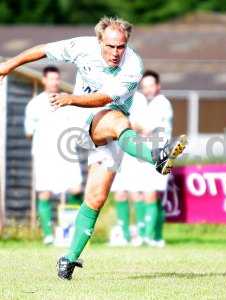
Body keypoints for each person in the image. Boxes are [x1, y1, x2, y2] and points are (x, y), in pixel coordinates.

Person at [0, 16, 187, 280]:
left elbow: (104, 98)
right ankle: (156, 155)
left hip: (110, 128)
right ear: (99, 40)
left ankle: (68, 259)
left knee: (96, 198)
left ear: (127, 44)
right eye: (110, 46)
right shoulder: (81, 46)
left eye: (121, 47)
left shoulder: (133, 66)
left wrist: (71, 97)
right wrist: (9, 64)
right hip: (83, 120)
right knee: (119, 120)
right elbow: (42, 50)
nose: (115, 53)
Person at [112, 70, 172, 248]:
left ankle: (150, 236)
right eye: (144, 86)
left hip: (159, 155)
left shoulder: (162, 103)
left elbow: (144, 128)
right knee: (140, 193)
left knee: (151, 195)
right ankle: (146, 236)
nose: (147, 90)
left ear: (158, 86)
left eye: (151, 86)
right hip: (144, 155)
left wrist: (127, 125)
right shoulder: (140, 102)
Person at [25, 66, 84, 245]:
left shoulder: (68, 101)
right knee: (44, 193)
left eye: (57, 79)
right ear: (44, 80)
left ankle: (75, 231)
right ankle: (48, 234)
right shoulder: (35, 104)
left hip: (66, 154)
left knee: (76, 190)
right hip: (45, 155)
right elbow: (29, 131)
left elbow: (78, 127)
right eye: (51, 79)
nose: (54, 82)